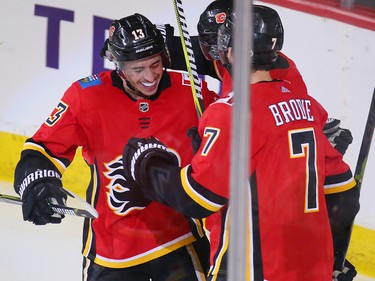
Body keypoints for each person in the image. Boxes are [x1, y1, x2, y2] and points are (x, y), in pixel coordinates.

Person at [122, 6, 360, 281]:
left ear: (231, 52)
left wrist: (148, 164)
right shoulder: (306, 105)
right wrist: (335, 257)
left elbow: (198, 199)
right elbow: (344, 194)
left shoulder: (231, 113)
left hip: (251, 268)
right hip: (311, 270)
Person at [13, 13, 220, 281]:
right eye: (138, 69)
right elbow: (42, 149)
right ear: (119, 67)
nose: (150, 76)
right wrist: (37, 182)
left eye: (155, 64)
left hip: (179, 241)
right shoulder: (87, 97)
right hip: (112, 252)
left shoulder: (192, 91)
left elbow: (233, 136)